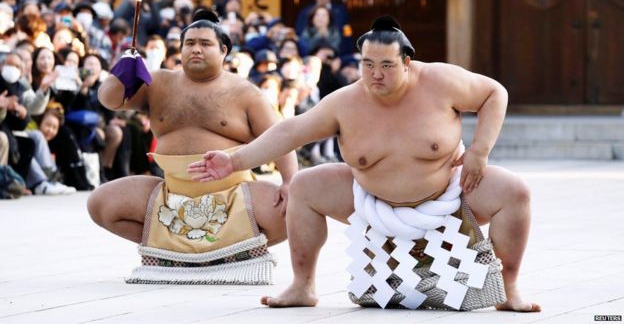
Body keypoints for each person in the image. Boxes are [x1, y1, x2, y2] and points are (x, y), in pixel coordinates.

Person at [188, 16, 540, 312]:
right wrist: (234, 160)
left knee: (515, 192)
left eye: (387, 65)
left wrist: (480, 149)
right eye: (367, 65)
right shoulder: (345, 102)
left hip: (450, 194)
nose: (376, 75)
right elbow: (291, 131)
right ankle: (303, 285)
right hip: (370, 201)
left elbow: (495, 93)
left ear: (407, 62)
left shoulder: (441, 81)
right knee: (305, 186)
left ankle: (509, 291)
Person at [87, 10, 297, 264]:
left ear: (223, 51)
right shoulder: (158, 82)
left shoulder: (245, 92)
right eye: (190, 43)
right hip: (172, 193)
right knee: (100, 203)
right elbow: (109, 100)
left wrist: (289, 182)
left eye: (205, 44)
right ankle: (170, 250)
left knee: (294, 212)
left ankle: (232, 249)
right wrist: (124, 69)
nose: (196, 49)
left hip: (232, 194)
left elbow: (281, 138)